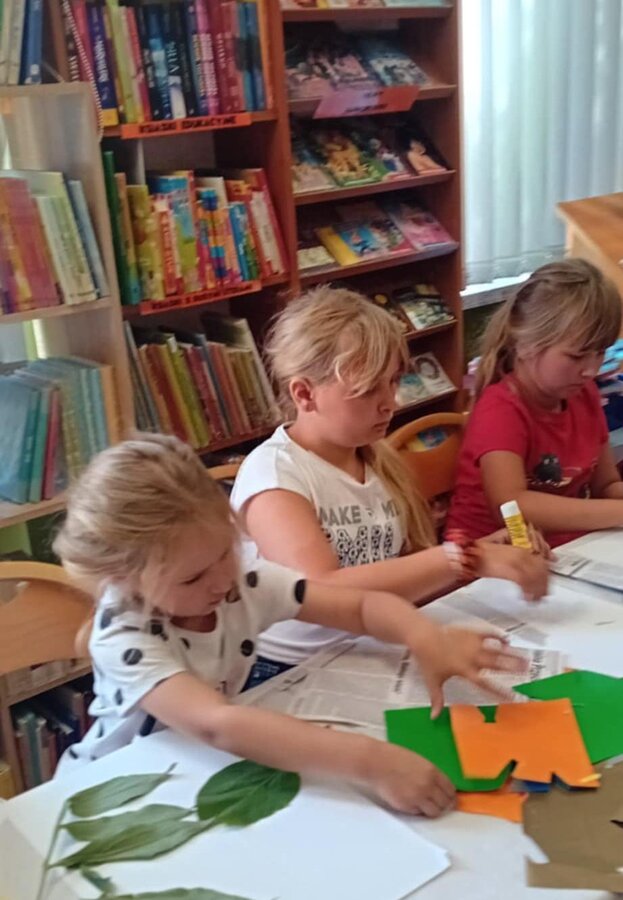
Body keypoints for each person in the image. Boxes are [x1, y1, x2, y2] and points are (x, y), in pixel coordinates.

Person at [52, 433, 526, 818]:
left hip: (199, 770)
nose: (221, 581)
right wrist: (371, 761)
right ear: (123, 580)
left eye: (224, 552)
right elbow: (218, 723)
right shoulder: (124, 637)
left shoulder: (240, 581)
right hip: (113, 791)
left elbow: (359, 608)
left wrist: (423, 635)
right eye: (193, 577)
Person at [230, 287, 548, 683]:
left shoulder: (374, 459)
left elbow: (400, 580)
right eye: (367, 390)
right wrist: (462, 558)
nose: (390, 403)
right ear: (305, 394)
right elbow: (321, 589)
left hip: (368, 647)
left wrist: (488, 555)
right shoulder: (274, 473)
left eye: (393, 382)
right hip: (288, 670)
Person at [446, 258, 623, 547]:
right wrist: (617, 513)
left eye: (600, 352)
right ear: (526, 345)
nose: (591, 370)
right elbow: (511, 506)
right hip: (488, 558)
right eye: (577, 356)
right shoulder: (500, 409)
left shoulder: (585, 393)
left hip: (563, 552)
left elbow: (606, 485)